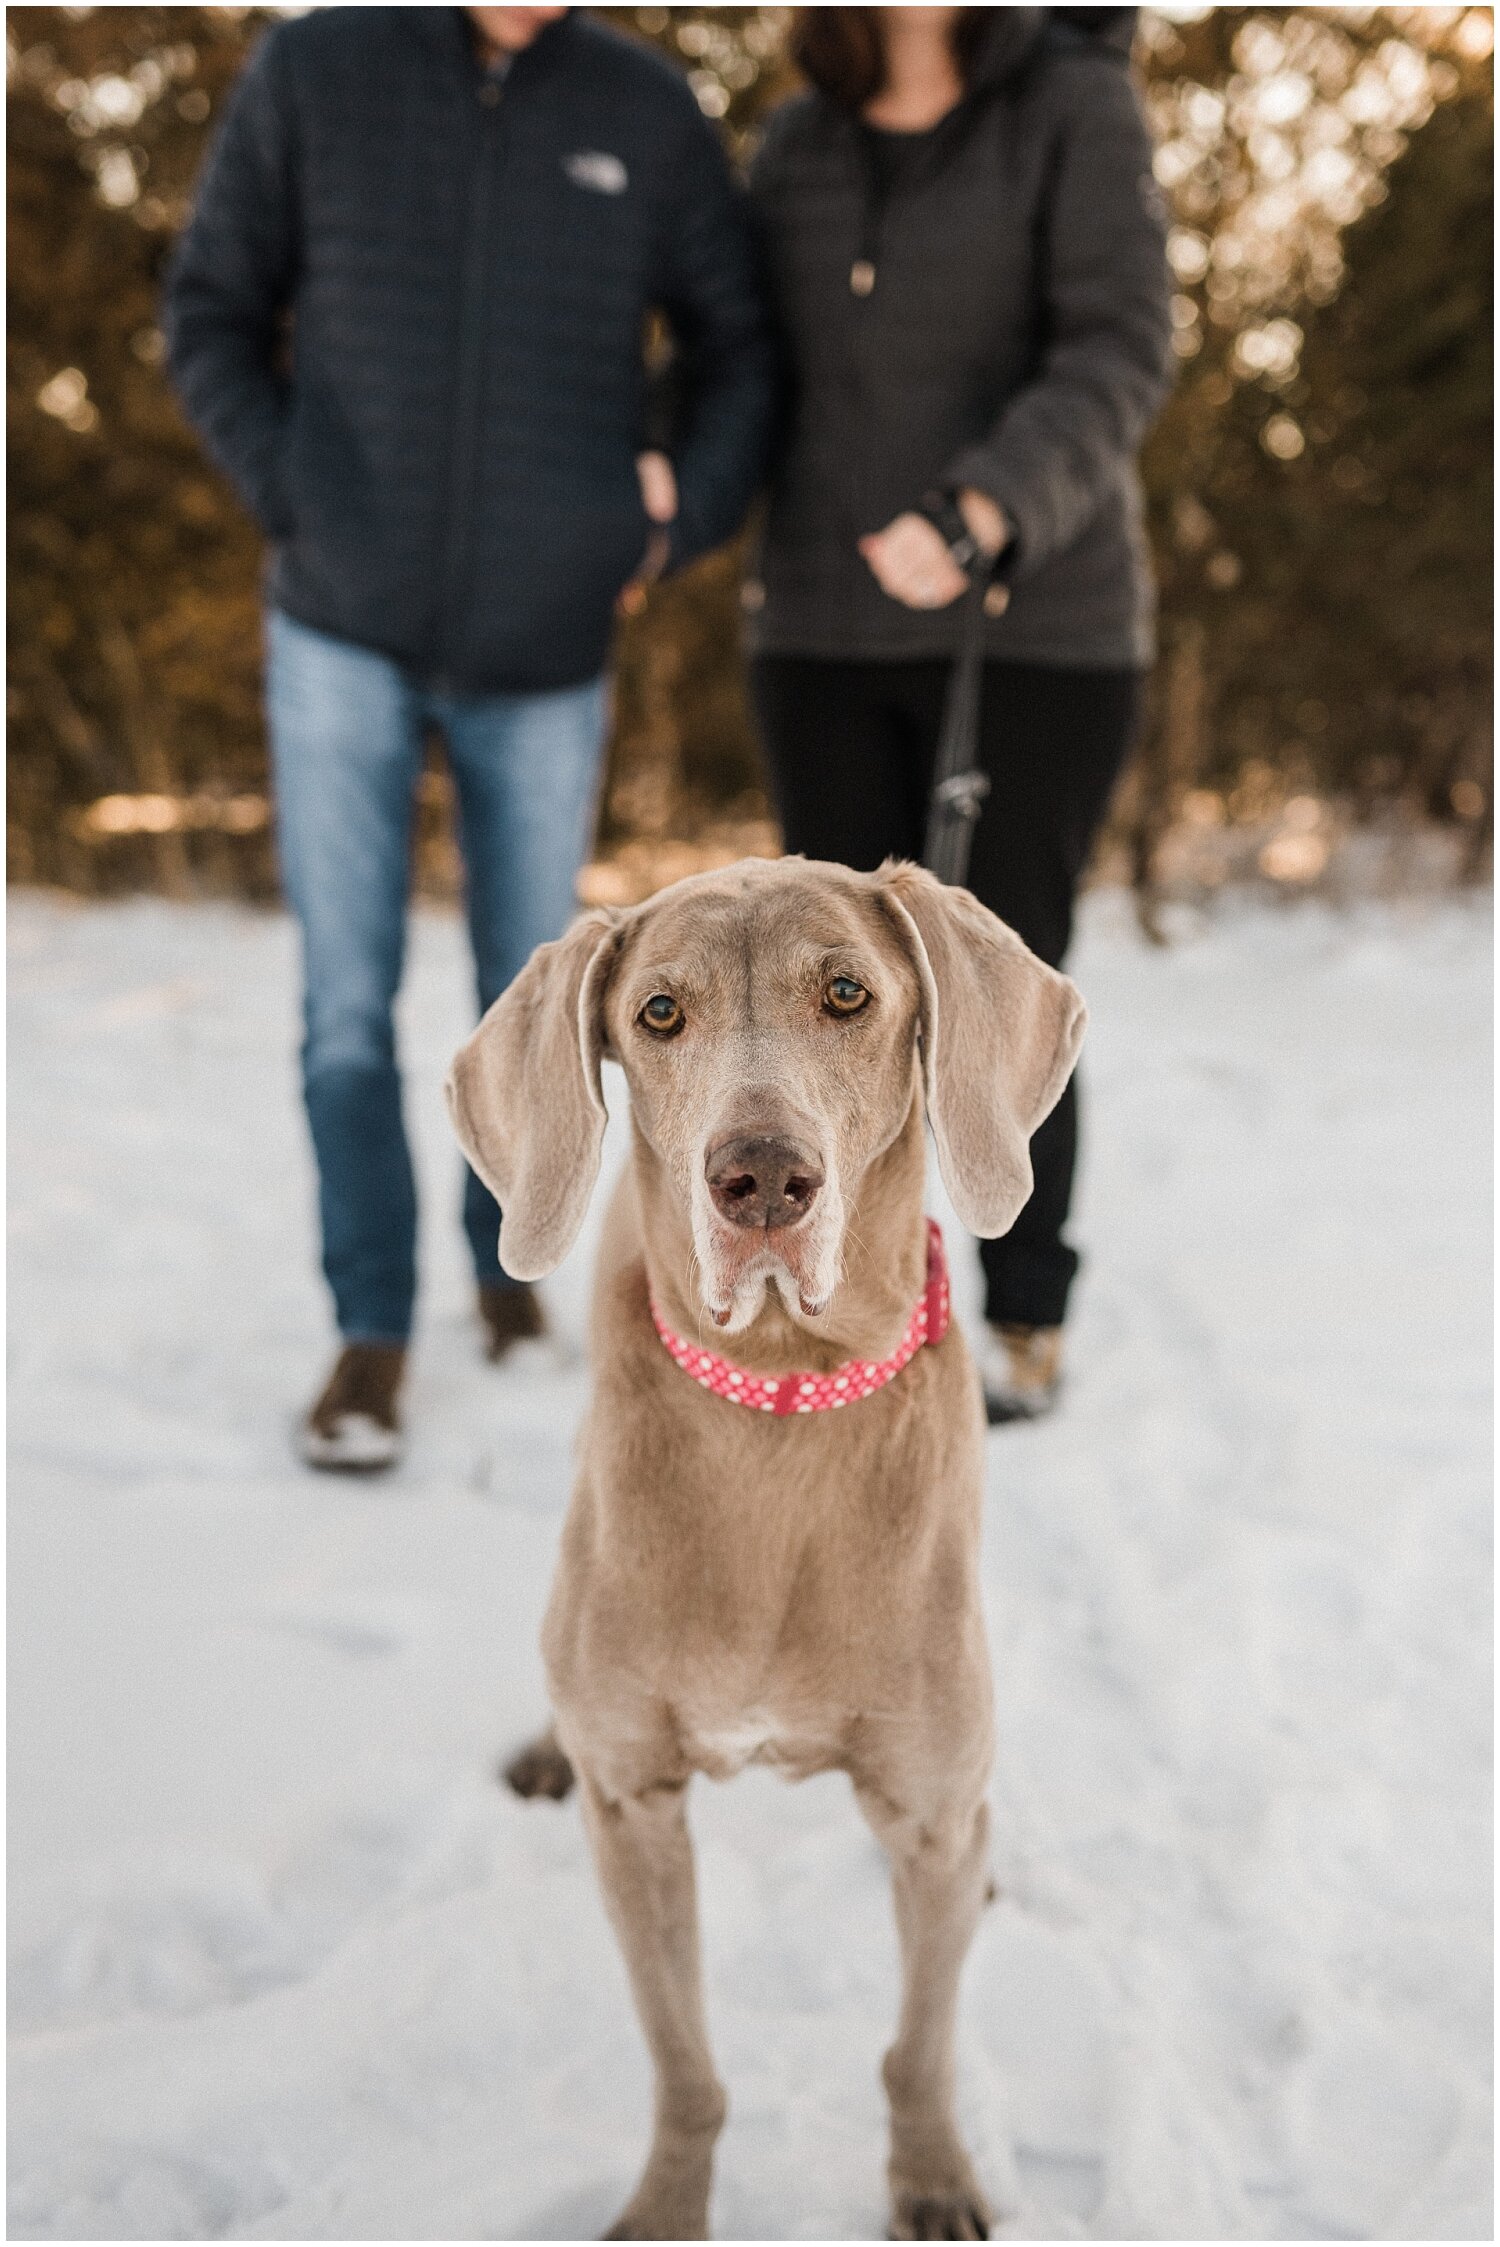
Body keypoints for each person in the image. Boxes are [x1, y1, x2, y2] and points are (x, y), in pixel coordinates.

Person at [166, 6, 773, 1470]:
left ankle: (511, 1274)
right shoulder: (320, 67)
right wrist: (299, 493)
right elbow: (208, 312)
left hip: (545, 649)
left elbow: (741, 351)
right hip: (338, 630)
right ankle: (370, 1331)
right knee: (342, 1012)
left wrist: (663, 515)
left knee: (538, 1006)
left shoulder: (642, 105)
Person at [747, 5, 1172, 1422]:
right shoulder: (799, 137)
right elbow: (751, 368)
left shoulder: (1073, 102)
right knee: (835, 1012)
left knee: (1001, 988)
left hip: (1033, 627)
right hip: (820, 627)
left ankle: (1028, 1306)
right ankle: (860, 1302)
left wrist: (987, 506)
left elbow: (1121, 345)